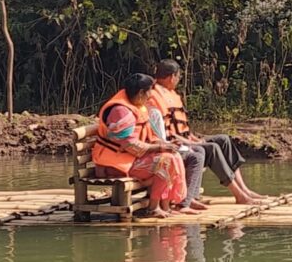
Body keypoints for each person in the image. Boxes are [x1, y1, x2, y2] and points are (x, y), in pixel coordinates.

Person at [142, 58, 264, 209]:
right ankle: (239, 195)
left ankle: (245, 190)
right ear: (171, 76)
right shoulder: (154, 97)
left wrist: (193, 138)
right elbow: (167, 135)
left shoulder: (170, 94)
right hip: (175, 145)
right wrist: (193, 143)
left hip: (186, 140)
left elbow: (180, 126)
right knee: (211, 148)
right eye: (178, 77)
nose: (178, 80)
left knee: (223, 140)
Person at [91, 72, 180, 204]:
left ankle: (164, 205)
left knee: (173, 156)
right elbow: (129, 145)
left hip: (130, 160)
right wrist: (160, 147)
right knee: (165, 162)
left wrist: (164, 144)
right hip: (114, 165)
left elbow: (148, 134)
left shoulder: (137, 106)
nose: (150, 96)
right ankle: (154, 207)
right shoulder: (120, 111)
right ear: (140, 93)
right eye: (149, 92)